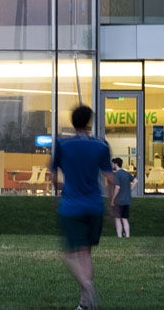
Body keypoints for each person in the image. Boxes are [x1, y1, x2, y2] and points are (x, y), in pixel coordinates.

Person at [51, 105, 113, 310]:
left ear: (72, 121)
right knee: (85, 253)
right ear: (90, 121)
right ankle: (84, 304)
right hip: (94, 205)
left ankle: (87, 287)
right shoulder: (101, 145)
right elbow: (109, 178)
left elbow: (52, 175)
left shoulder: (62, 144)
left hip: (71, 205)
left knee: (70, 254)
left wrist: (56, 191)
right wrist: (111, 204)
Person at [109, 157, 135, 238]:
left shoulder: (116, 174)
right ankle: (127, 236)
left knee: (117, 219)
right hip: (127, 200)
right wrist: (129, 189)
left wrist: (113, 199)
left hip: (119, 200)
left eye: (112, 163)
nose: (112, 165)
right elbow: (136, 181)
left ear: (116, 164)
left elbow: (117, 187)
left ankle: (119, 236)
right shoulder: (126, 173)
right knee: (125, 219)